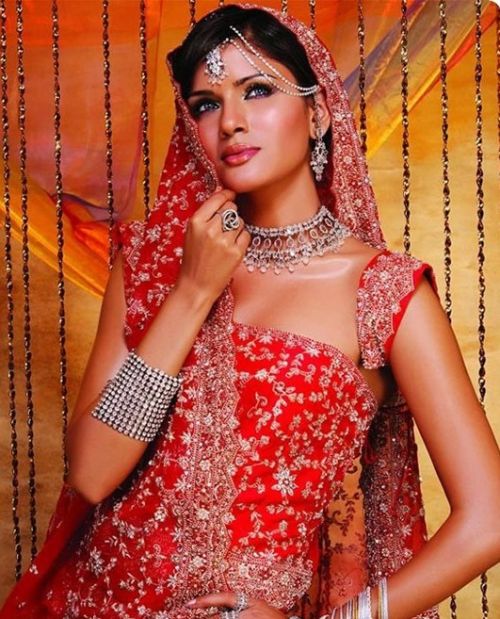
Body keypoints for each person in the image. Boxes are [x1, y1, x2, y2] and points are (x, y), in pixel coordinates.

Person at [1, 4, 499, 619]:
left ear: (318, 114)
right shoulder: (152, 264)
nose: (231, 122)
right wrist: (192, 292)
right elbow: (92, 473)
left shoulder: (383, 293)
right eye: (206, 104)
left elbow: (489, 520)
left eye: (257, 90)